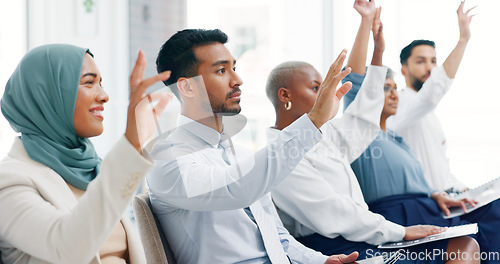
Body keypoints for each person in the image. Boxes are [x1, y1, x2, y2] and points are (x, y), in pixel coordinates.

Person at [269, 1, 478, 263]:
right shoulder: (279, 155)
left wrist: (378, 52)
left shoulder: (323, 136)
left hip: (367, 235)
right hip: (337, 246)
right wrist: (400, 232)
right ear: (284, 96)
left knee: (465, 244)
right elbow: (334, 212)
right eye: (315, 87)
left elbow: (364, 118)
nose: (325, 93)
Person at [147, 28, 360, 264]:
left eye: (234, 68)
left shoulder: (241, 154)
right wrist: (313, 121)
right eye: (221, 70)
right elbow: (235, 190)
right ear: (187, 87)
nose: (237, 80)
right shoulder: (166, 158)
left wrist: (322, 261)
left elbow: (277, 238)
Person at [344, 21, 500, 264]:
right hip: (401, 214)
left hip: (428, 206)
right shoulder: (361, 134)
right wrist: (367, 26)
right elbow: (353, 83)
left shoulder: (397, 141)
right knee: (471, 240)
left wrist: (436, 193)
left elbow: (422, 179)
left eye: (394, 87)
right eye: (385, 88)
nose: (394, 94)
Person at [0, 44, 171, 264]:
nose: (104, 96)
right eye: (89, 82)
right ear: (48, 95)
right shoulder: (9, 180)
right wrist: (131, 144)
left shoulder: (94, 169)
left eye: (101, 83)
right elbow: (67, 248)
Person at [386, 1, 475, 192]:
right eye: (421, 61)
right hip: (427, 203)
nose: (430, 68)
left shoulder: (429, 113)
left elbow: (439, 167)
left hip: (448, 196)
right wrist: (463, 40)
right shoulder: (401, 104)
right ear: (404, 70)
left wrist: (463, 189)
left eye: (433, 61)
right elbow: (433, 91)